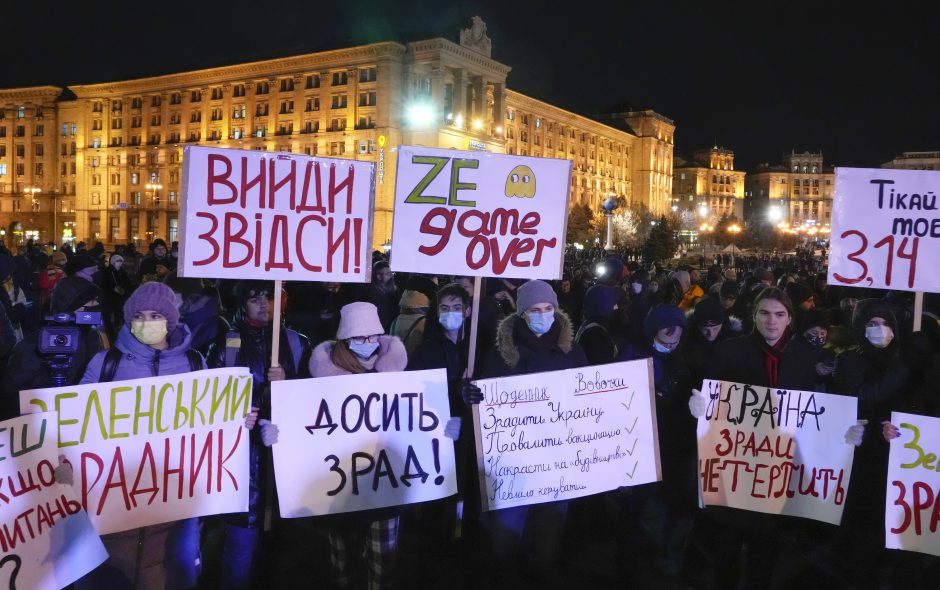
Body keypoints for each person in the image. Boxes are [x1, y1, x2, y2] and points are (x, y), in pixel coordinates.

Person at [75, 281, 212, 590]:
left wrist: (238, 421)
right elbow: (75, 419)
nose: (146, 322)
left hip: (176, 493)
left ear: (170, 320)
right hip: (117, 488)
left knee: (171, 570)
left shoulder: (194, 363)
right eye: (139, 315)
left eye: (155, 315)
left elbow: (213, 420)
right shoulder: (105, 363)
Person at [264, 301, 407, 589]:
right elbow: (301, 422)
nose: (368, 343)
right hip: (339, 493)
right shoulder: (319, 379)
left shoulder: (400, 375)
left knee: (383, 567)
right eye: (359, 337)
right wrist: (275, 433)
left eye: (372, 336)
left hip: (384, 491)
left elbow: (417, 421)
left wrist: (446, 429)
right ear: (344, 340)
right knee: (343, 567)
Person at [462, 279, 587, 589]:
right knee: (503, 545)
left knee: (547, 550)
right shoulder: (500, 353)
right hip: (512, 469)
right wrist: (470, 397)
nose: (542, 315)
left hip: (556, 467)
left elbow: (589, 402)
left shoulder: (573, 352)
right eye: (534, 310)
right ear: (520, 314)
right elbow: (485, 401)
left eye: (548, 309)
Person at [205, 280, 311, 590]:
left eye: (270, 297)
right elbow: (207, 399)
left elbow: (314, 399)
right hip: (240, 463)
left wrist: (287, 381)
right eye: (255, 298)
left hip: (284, 462)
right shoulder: (225, 344)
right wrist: (236, 419)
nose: (263, 304)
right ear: (242, 304)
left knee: (282, 546)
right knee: (241, 544)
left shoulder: (296, 342)